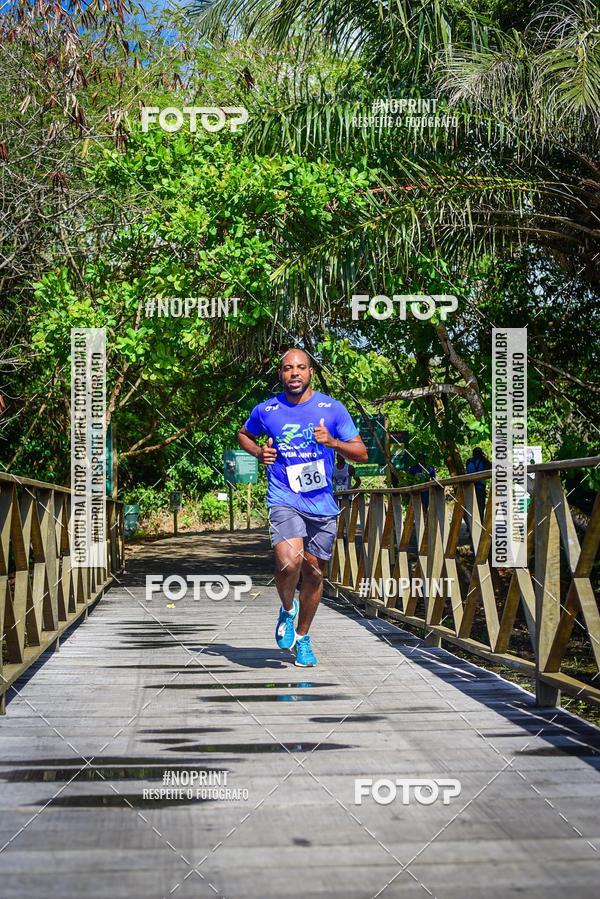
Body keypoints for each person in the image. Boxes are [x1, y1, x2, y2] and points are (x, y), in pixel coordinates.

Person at [237, 348, 368, 667]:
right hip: (283, 497)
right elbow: (243, 434)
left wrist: (333, 443)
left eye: (300, 367)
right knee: (288, 562)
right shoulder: (266, 410)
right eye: (287, 368)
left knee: (313, 573)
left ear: (310, 372)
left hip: (321, 503)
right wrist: (259, 453)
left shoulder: (332, 409)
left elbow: (361, 453)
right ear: (280, 374)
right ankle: (287, 609)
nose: (294, 373)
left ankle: (303, 637)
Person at [466, 447, 491, 519]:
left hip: (469, 488)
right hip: (480, 488)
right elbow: (490, 466)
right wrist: (485, 458)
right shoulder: (483, 460)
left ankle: (470, 523)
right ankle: (480, 521)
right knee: (480, 506)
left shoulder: (469, 461)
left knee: (471, 506)